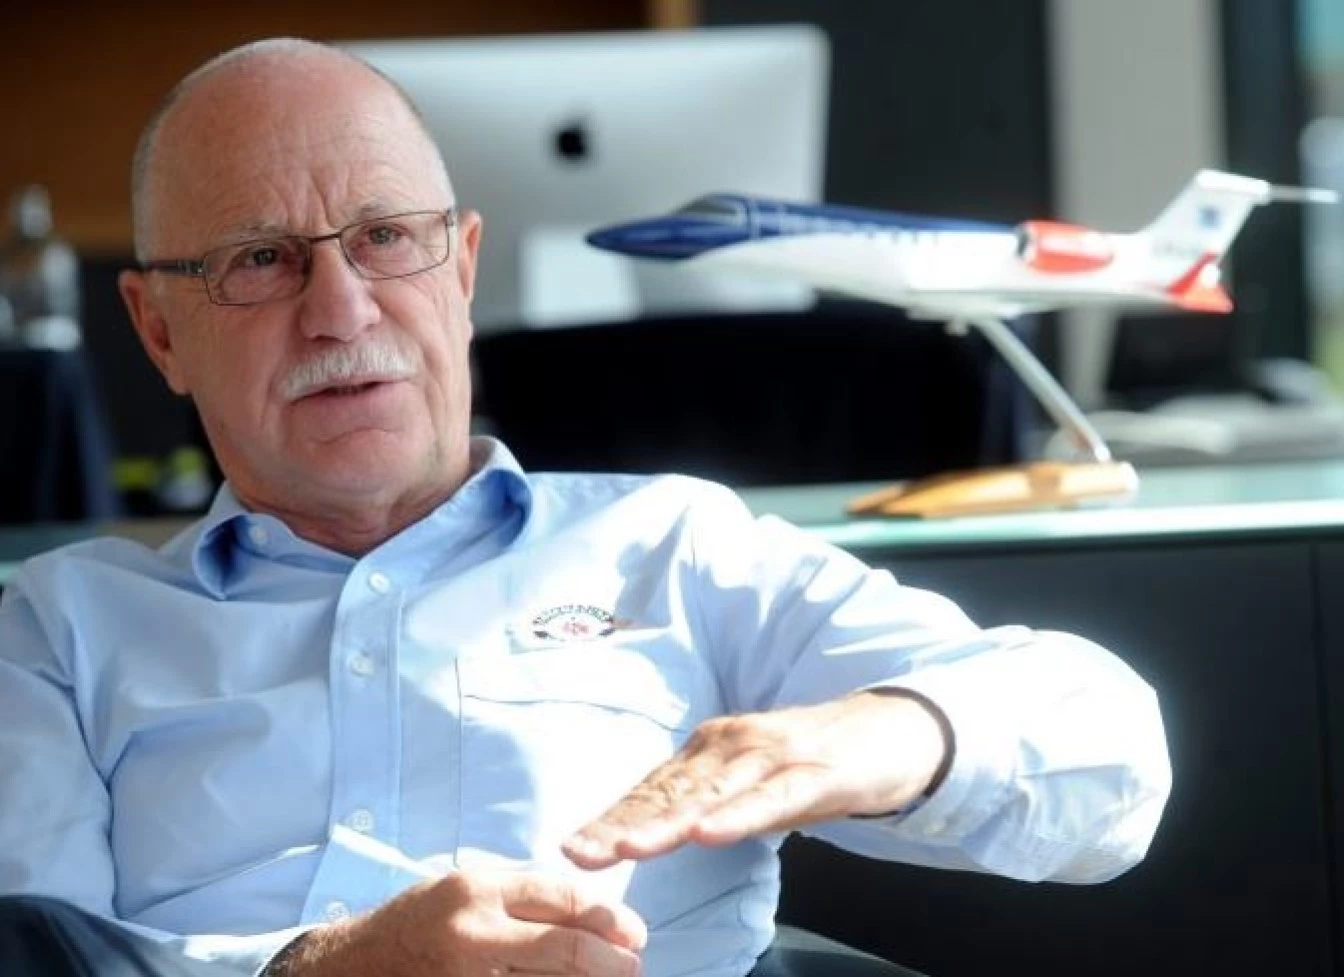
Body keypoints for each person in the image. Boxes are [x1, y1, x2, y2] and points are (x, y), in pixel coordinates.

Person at [0, 37, 1172, 977]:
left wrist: (875, 730)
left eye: (386, 238)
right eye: (261, 259)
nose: (342, 310)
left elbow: (1111, 756)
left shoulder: (669, 546)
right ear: (159, 330)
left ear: (460, 272)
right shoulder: (57, 630)